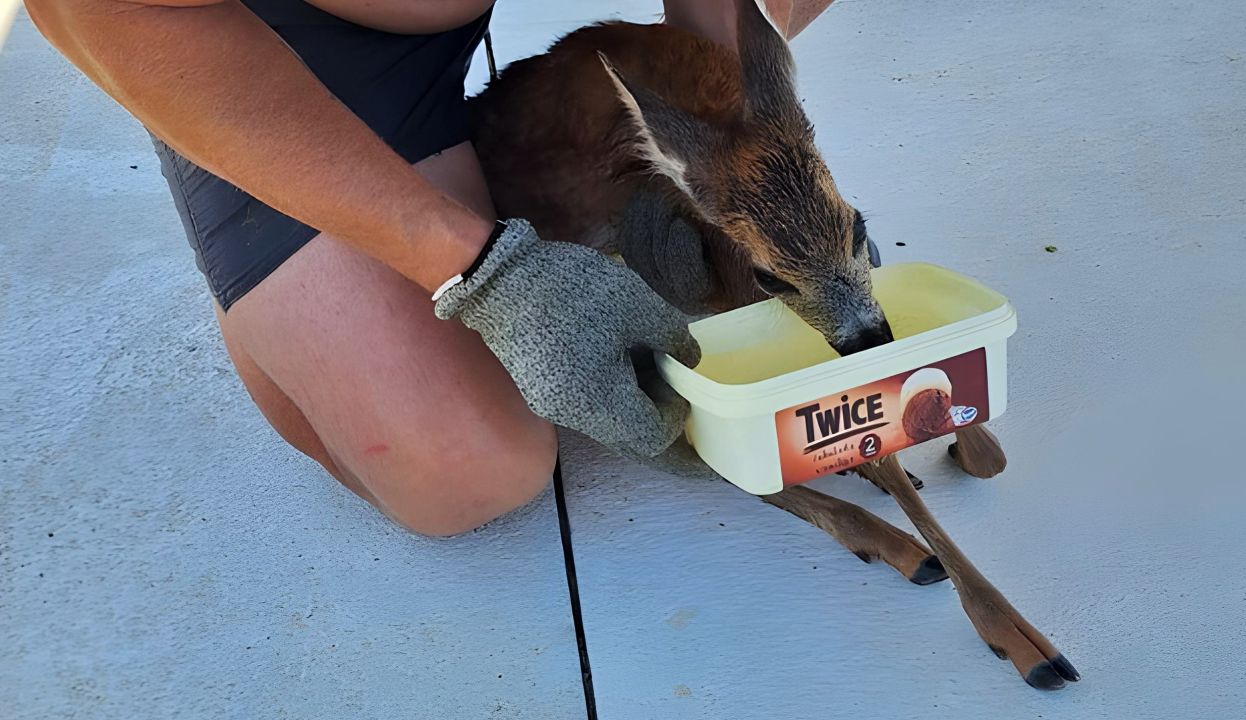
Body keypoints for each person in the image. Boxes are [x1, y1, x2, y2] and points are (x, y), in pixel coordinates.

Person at [28, 0, 837, 536]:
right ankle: (234, 166)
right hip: (261, 48)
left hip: (438, 28)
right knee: (466, 466)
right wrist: (483, 270)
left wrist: (745, 156)